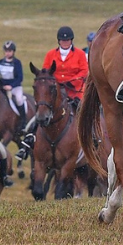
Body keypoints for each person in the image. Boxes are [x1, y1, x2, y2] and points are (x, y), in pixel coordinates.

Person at [19, 27, 89, 158]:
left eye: (67, 40)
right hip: (54, 93)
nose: (65, 42)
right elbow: (45, 72)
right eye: (63, 40)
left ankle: (92, 138)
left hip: (75, 92)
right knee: (41, 111)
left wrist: (70, 81)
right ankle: (29, 138)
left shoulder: (79, 54)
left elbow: (84, 72)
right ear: (59, 41)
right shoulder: (51, 54)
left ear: (71, 41)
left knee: (83, 113)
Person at [0, 40, 27, 124]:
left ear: (13, 52)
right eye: (6, 51)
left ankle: (23, 120)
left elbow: (20, 78)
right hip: (2, 87)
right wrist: (1, 85)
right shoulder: (0, 63)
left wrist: (11, 86)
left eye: (9, 51)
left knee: (19, 100)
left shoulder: (17, 63)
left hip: (15, 87)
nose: (7, 53)